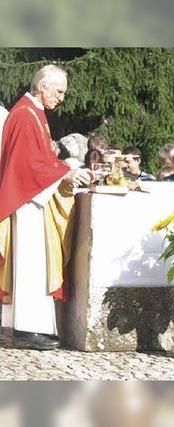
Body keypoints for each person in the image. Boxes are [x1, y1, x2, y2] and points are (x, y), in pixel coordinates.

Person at [0, 65, 93, 350]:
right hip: (26, 199)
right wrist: (64, 173)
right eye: (59, 91)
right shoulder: (26, 115)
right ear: (43, 86)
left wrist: (65, 169)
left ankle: (31, 326)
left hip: (32, 195)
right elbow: (27, 163)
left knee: (34, 263)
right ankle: (29, 328)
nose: (62, 98)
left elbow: (41, 159)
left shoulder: (33, 112)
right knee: (30, 263)